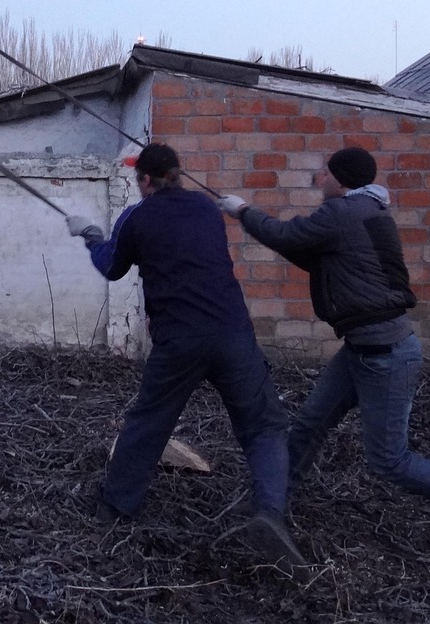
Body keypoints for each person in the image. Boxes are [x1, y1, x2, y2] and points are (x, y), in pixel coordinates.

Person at [217, 145, 430, 574]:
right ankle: (269, 509)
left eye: (324, 173)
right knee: (310, 424)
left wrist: (243, 211)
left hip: (385, 355)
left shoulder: (344, 212)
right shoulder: (362, 212)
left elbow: (288, 237)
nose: (318, 179)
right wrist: (253, 219)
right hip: (364, 350)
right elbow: (306, 252)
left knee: (390, 461)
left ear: (340, 179)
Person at [66, 142, 308, 575]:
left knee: (149, 422)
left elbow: (112, 267)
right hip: (233, 333)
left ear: (144, 181)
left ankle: (114, 511)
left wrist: (90, 236)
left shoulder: (138, 217)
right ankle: (270, 513)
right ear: (177, 174)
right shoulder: (205, 209)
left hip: (179, 340)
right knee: (264, 425)